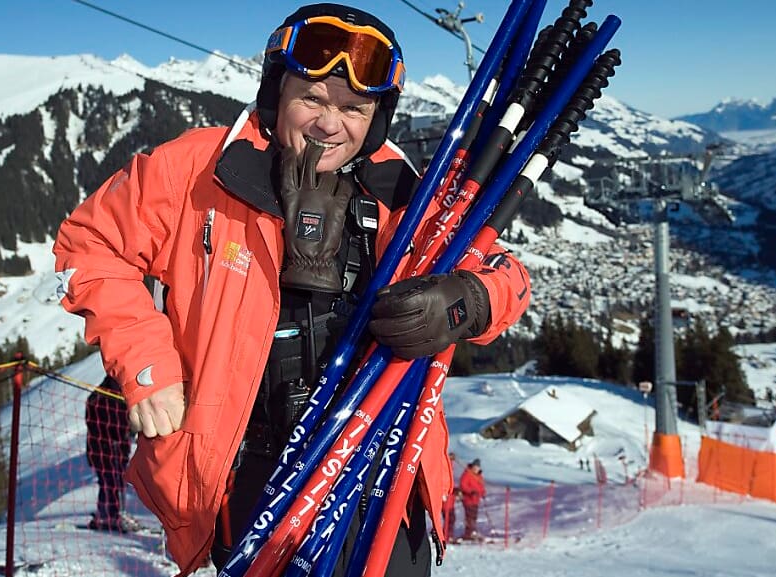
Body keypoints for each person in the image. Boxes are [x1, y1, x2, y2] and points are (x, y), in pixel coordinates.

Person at [53, 3, 530, 575]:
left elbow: (505, 274)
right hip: (243, 485)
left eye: (354, 108)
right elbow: (88, 243)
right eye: (313, 99)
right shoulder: (202, 169)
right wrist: (148, 365)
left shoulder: (404, 193)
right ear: (277, 91)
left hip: (380, 475)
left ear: (376, 117)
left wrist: (468, 303)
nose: (332, 124)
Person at [85, 375, 141, 532]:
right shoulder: (100, 396)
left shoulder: (124, 394)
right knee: (109, 481)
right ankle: (109, 515)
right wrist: (108, 437)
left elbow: (128, 419)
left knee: (117, 480)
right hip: (102, 449)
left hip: (119, 449)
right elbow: (93, 419)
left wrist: (129, 433)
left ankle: (111, 514)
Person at [459, 459, 486, 541]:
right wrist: (471, 491)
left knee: (474, 516)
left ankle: (471, 532)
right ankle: (469, 533)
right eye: (475, 467)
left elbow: (481, 487)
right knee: (470, 517)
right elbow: (463, 485)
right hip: (468, 499)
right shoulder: (467, 474)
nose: (476, 469)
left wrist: (482, 493)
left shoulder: (479, 476)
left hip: (476, 500)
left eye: (477, 467)